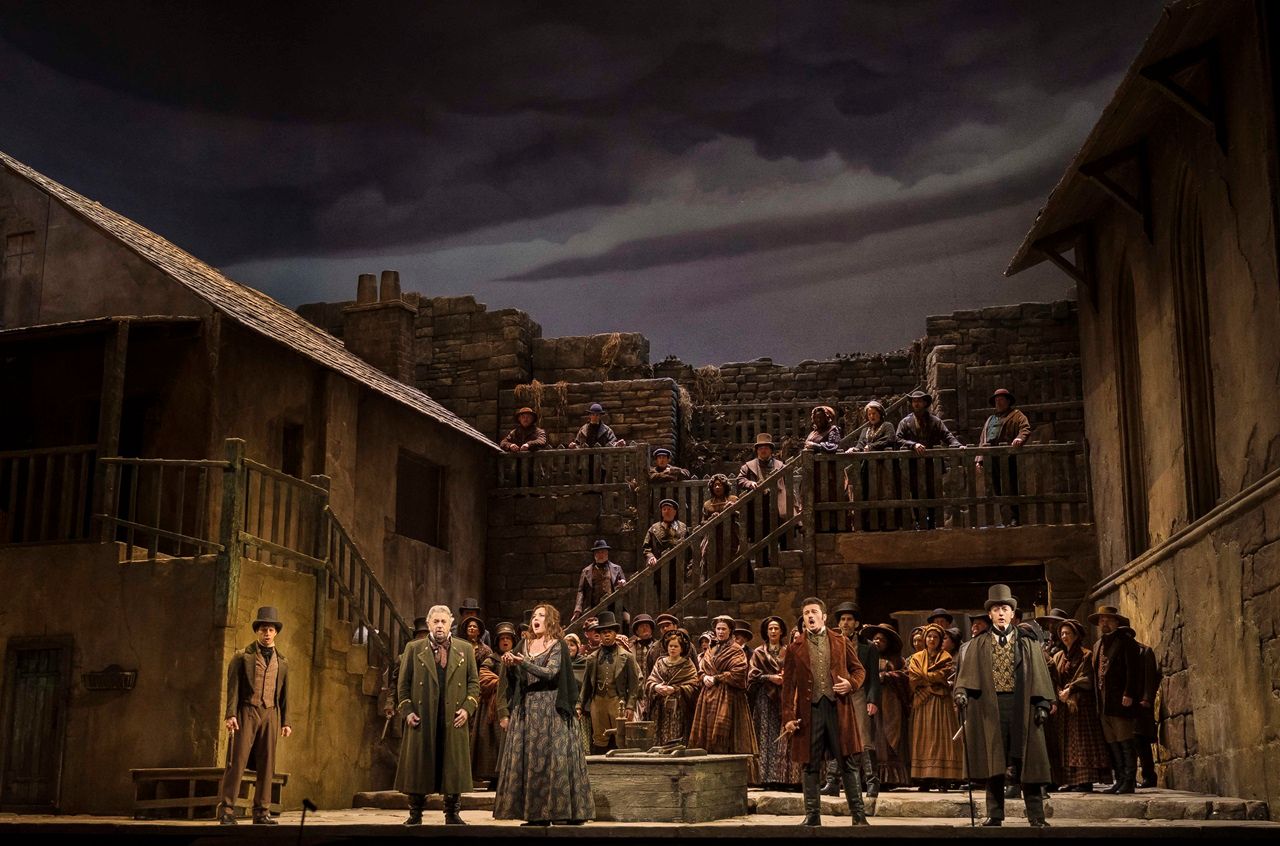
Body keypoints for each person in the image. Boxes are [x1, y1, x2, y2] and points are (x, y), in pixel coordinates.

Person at [954, 584, 1054, 828]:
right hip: (990, 706)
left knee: (1027, 760)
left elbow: (1040, 674)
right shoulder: (978, 644)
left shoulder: (1027, 642)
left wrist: (1042, 703)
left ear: (1012, 614)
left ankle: (1036, 816)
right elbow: (965, 676)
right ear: (990, 615)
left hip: (1022, 705)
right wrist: (961, 693)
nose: (1001, 613)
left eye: (1005, 609)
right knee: (994, 762)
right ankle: (995, 814)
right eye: (997, 609)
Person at [494, 603, 595, 826]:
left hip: (551, 709)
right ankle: (535, 814)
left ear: (551, 621)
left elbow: (550, 673)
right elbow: (516, 678)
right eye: (534, 616)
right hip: (528, 709)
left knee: (554, 760)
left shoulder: (557, 645)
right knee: (532, 761)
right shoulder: (524, 644)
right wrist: (511, 665)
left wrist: (524, 662)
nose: (536, 619)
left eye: (541, 615)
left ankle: (563, 812)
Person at [781, 597, 870, 826]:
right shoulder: (794, 647)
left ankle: (858, 817)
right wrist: (789, 718)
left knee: (848, 762)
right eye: (806, 613)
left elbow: (859, 670)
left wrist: (851, 684)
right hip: (810, 713)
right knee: (809, 764)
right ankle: (812, 816)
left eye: (813, 612)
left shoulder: (840, 641)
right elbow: (788, 686)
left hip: (838, 709)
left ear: (823, 616)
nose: (809, 616)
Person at [394, 605, 480, 826]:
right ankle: (415, 813)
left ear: (451, 622)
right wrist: (408, 711)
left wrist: (467, 709)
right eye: (436, 621)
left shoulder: (465, 649)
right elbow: (402, 685)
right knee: (419, 763)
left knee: (452, 764)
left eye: (444, 621)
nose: (440, 625)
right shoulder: (414, 649)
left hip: (453, 715)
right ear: (429, 624)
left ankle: (452, 812)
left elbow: (473, 683)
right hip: (424, 715)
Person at [217, 607, 292, 826]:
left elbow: (286, 694)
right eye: (262, 629)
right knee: (236, 761)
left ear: (275, 632)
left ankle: (261, 811)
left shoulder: (283, 661)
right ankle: (227, 811)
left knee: (267, 763)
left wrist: (286, 721)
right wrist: (230, 714)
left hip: (271, 713)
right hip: (246, 711)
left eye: (270, 629)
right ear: (257, 632)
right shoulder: (243, 657)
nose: (266, 633)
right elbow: (233, 688)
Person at [689, 615, 759, 778]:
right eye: (718, 629)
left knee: (724, 731)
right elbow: (701, 668)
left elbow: (739, 672)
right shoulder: (711, 649)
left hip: (728, 696)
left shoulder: (736, 650)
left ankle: (731, 774)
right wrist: (703, 676)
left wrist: (717, 678)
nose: (720, 632)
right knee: (706, 730)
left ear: (730, 631)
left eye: (724, 629)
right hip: (708, 696)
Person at [1051, 619, 1112, 792]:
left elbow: (1087, 676)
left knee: (1082, 743)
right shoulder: (1059, 657)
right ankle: (1070, 780)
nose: (1064, 637)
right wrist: (1059, 692)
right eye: (1062, 634)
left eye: (1068, 633)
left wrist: (1070, 689)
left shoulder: (1086, 655)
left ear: (1076, 635)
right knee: (1067, 743)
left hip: (1082, 706)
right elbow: (1055, 676)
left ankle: (1085, 781)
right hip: (1065, 707)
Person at [829, 603, 882, 797]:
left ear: (857, 623)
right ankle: (833, 782)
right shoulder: (831, 643)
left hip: (859, 695)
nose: (845, 622)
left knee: (865, 739)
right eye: (842, 619)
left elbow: (874, 678)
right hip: (837, 695)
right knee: (836, 737)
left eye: (849, 619)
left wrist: (873, 700)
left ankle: (872, 781)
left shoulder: (868, 647)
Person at [1088, 605, 1142, 794]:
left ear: (1116, 622)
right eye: (1102, 620)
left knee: (1125, 740)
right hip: (1103, 702)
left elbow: (1133, 671)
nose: (1104, 622)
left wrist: (1129, 693)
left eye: (1108, 619)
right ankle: (1119, 778)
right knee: (1112, 742)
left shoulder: (1125, 642)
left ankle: (1129, 780)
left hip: (1119, 700)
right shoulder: (1098, 645)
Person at [894, 391, 963, 529]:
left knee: (933, 492)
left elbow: (947, 435)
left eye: (919, 401)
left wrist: (957, 444)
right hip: (912, 465)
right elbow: (897, 439)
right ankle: (920, 522)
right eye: (914, 401)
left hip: (932, 464)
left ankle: (932, 522)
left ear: (925, 403)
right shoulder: (906, 422)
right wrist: (913, 445)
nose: (917, 403)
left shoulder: (934, 421)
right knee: (915, 492)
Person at [907, 623, 962, 791]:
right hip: (923, 701)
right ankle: (925, 779)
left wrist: (926, 678)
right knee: (924, 738)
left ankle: (943, 778)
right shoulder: (917, 657)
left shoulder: (945, 656)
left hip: (940, 702)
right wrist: (931, 680)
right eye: (929, 636)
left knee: (942, 738)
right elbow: (913, 677)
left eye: (935, 637)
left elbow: (942, 674)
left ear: (940, 640)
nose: (932, 639)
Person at [748, 616, 801, 788]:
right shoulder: (759, 652)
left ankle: (783, 778)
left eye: (776, 628)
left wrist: (785, 678)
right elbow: (752, 675)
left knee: (784, 735)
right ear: (765, 631)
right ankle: (764, 777)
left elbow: (796, 672)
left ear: (782, 631)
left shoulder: (789, 650)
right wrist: (770, 677)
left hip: (784, 697)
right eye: (770, 628)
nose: (773, 631)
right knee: (764, 735)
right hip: (765, 696)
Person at [577, 612, 641, 754]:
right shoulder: (592, 658)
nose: (607, 635)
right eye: (603, 632)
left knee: (621, 737)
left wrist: (630, 706)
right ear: (599, 635)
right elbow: (586, 685)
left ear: (615, 634)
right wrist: (579, 706)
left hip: (618, 701)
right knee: (600, 738)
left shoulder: (627, 657)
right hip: (598, 701)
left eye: (610, 632)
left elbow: (634, 685)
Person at [975, 388, 1032, 527]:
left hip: (1008, 457)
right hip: (992, 458)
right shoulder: (991, 419)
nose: (998, 402)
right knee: (998, 489)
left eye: (1001, 399)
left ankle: (1015, 518)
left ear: (1008, 401)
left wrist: (1019, 438)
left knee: (1012, 487)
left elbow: (1025, 428)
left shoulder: (1016, 415)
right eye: (996, 400)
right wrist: (979, 459)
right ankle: (1004, 519)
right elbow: (983, 438)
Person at [863, 623, 911, 790]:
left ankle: (891, 778)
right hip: (871, 702)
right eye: (875, 638)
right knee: (872, 737)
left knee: (889, 736)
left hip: (891, 704)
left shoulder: (897, 660)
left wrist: (887, 676)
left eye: (882, 640)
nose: (877, 641)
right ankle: (872, 776)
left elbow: (905, 676)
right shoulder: (867, 657)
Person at [737, 433, 792, 566]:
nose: (763, 450)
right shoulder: (748, 466)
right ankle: (763, 565)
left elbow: (788, 485)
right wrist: (750, 483)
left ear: (771, 450)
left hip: (778, 504)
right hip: (759, 507)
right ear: (757, 450)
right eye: (760, 448)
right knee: (760, 534)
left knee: (782, 532)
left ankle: (784, 563)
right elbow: (740, 479)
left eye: (766, 448)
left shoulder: (781, 465)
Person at [845, 400, 899, 530]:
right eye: (869, 414)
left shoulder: (887, 426)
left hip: (884, 466)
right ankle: (870, 523)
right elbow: (861, 444)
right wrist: (855, 449)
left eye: (874, 413)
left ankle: (888, 523)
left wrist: (872, 446)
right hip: (868, 466)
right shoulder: (866, 430)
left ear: (880, 414)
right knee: (869, 491)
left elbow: (890, 439)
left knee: (885, 492)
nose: (872, 416)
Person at [474, 621, 514, 787]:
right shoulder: (492, 659)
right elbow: (483, 676)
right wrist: (502, 682)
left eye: (508, 638)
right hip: (494, 707)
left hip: (513, 704)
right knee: (493, 742)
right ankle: (494, 777)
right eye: (502, 638)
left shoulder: (518, 658)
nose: (505, 641)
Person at [645, 628, 701, 745]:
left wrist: (675, 689)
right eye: (670, 646)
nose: (672, 649)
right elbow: (650, 681)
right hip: (659, 707)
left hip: (678, 708)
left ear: (682, 648)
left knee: (675, 735)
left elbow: (694, 685)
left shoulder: (687, 665)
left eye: (676, 646)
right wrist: (656, 687)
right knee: (657, 736)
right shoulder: (660, 662)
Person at [699, 474, 739, 587]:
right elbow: (702, 522)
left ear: (725, 486)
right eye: (715, 485)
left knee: (732, 558)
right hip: (714, 538)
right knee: (713, 560)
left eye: (720, 485)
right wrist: (711, 519)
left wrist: (733, 510)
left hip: (731, 536)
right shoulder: (707, 504)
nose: (717, 487)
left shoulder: (733, 499)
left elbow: (742, 516)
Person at [1132, 630, 1160, 788]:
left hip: (1140, 704)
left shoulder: (1144, 651)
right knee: (1130, 741)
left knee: (1140, 740)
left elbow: (1150, 677)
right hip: (1126, 705)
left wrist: (1147, 698)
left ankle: (1149, 776)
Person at [572, 540, 627, 620]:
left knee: (626, 619)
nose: (601, 555)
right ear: (594, 555)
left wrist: (622, 583)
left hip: (613, 606)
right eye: (598, 552)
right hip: (594, 608)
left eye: (603, 552)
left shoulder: (617, 569)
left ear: (607, 553)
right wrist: (578, 609)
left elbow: (623, 582)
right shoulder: (586, 571)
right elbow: (581, 591)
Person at [564, 633, 591, 756]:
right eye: (566, 645)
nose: (569, 647)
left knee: (582, 743)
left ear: (578, 646)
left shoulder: (585, 663)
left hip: (582, 708)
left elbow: (587, 687)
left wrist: (579, 705)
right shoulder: (558, 664)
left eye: (572, 645)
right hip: (564, 707)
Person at [642, 499, 688, 570]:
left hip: (679, 567)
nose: (666, 511)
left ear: (675, 512)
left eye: (669, 509)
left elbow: (689, 547)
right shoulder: (654, 528)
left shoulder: (683, 527)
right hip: (659, 566)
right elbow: (646, 547)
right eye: (664, 509)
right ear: (662, 512)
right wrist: (651, 557)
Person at [629, 614, 658, 719]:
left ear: (651, 629)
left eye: (647, 626)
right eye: (641, 626)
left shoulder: (658, 647)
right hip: (636, 693)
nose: (645, 628)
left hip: (654, 691)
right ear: (636, 631)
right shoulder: (630, 649)